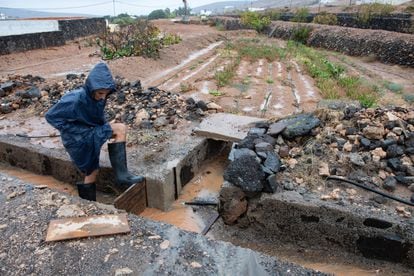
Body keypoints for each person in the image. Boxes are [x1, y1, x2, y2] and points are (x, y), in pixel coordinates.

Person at [45, 62, 144, 201]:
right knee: (119, 130)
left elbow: (97, 116)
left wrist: (104, 126)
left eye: (106, 93)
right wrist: (78, 130)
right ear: (91, 88)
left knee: (93, 170)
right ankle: (120, 176)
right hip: (76, 139)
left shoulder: (98, 96)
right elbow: (51, 116)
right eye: (100, 93)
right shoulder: (75, 99)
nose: (103, 97)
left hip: (89, 133)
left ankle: (90, 203)